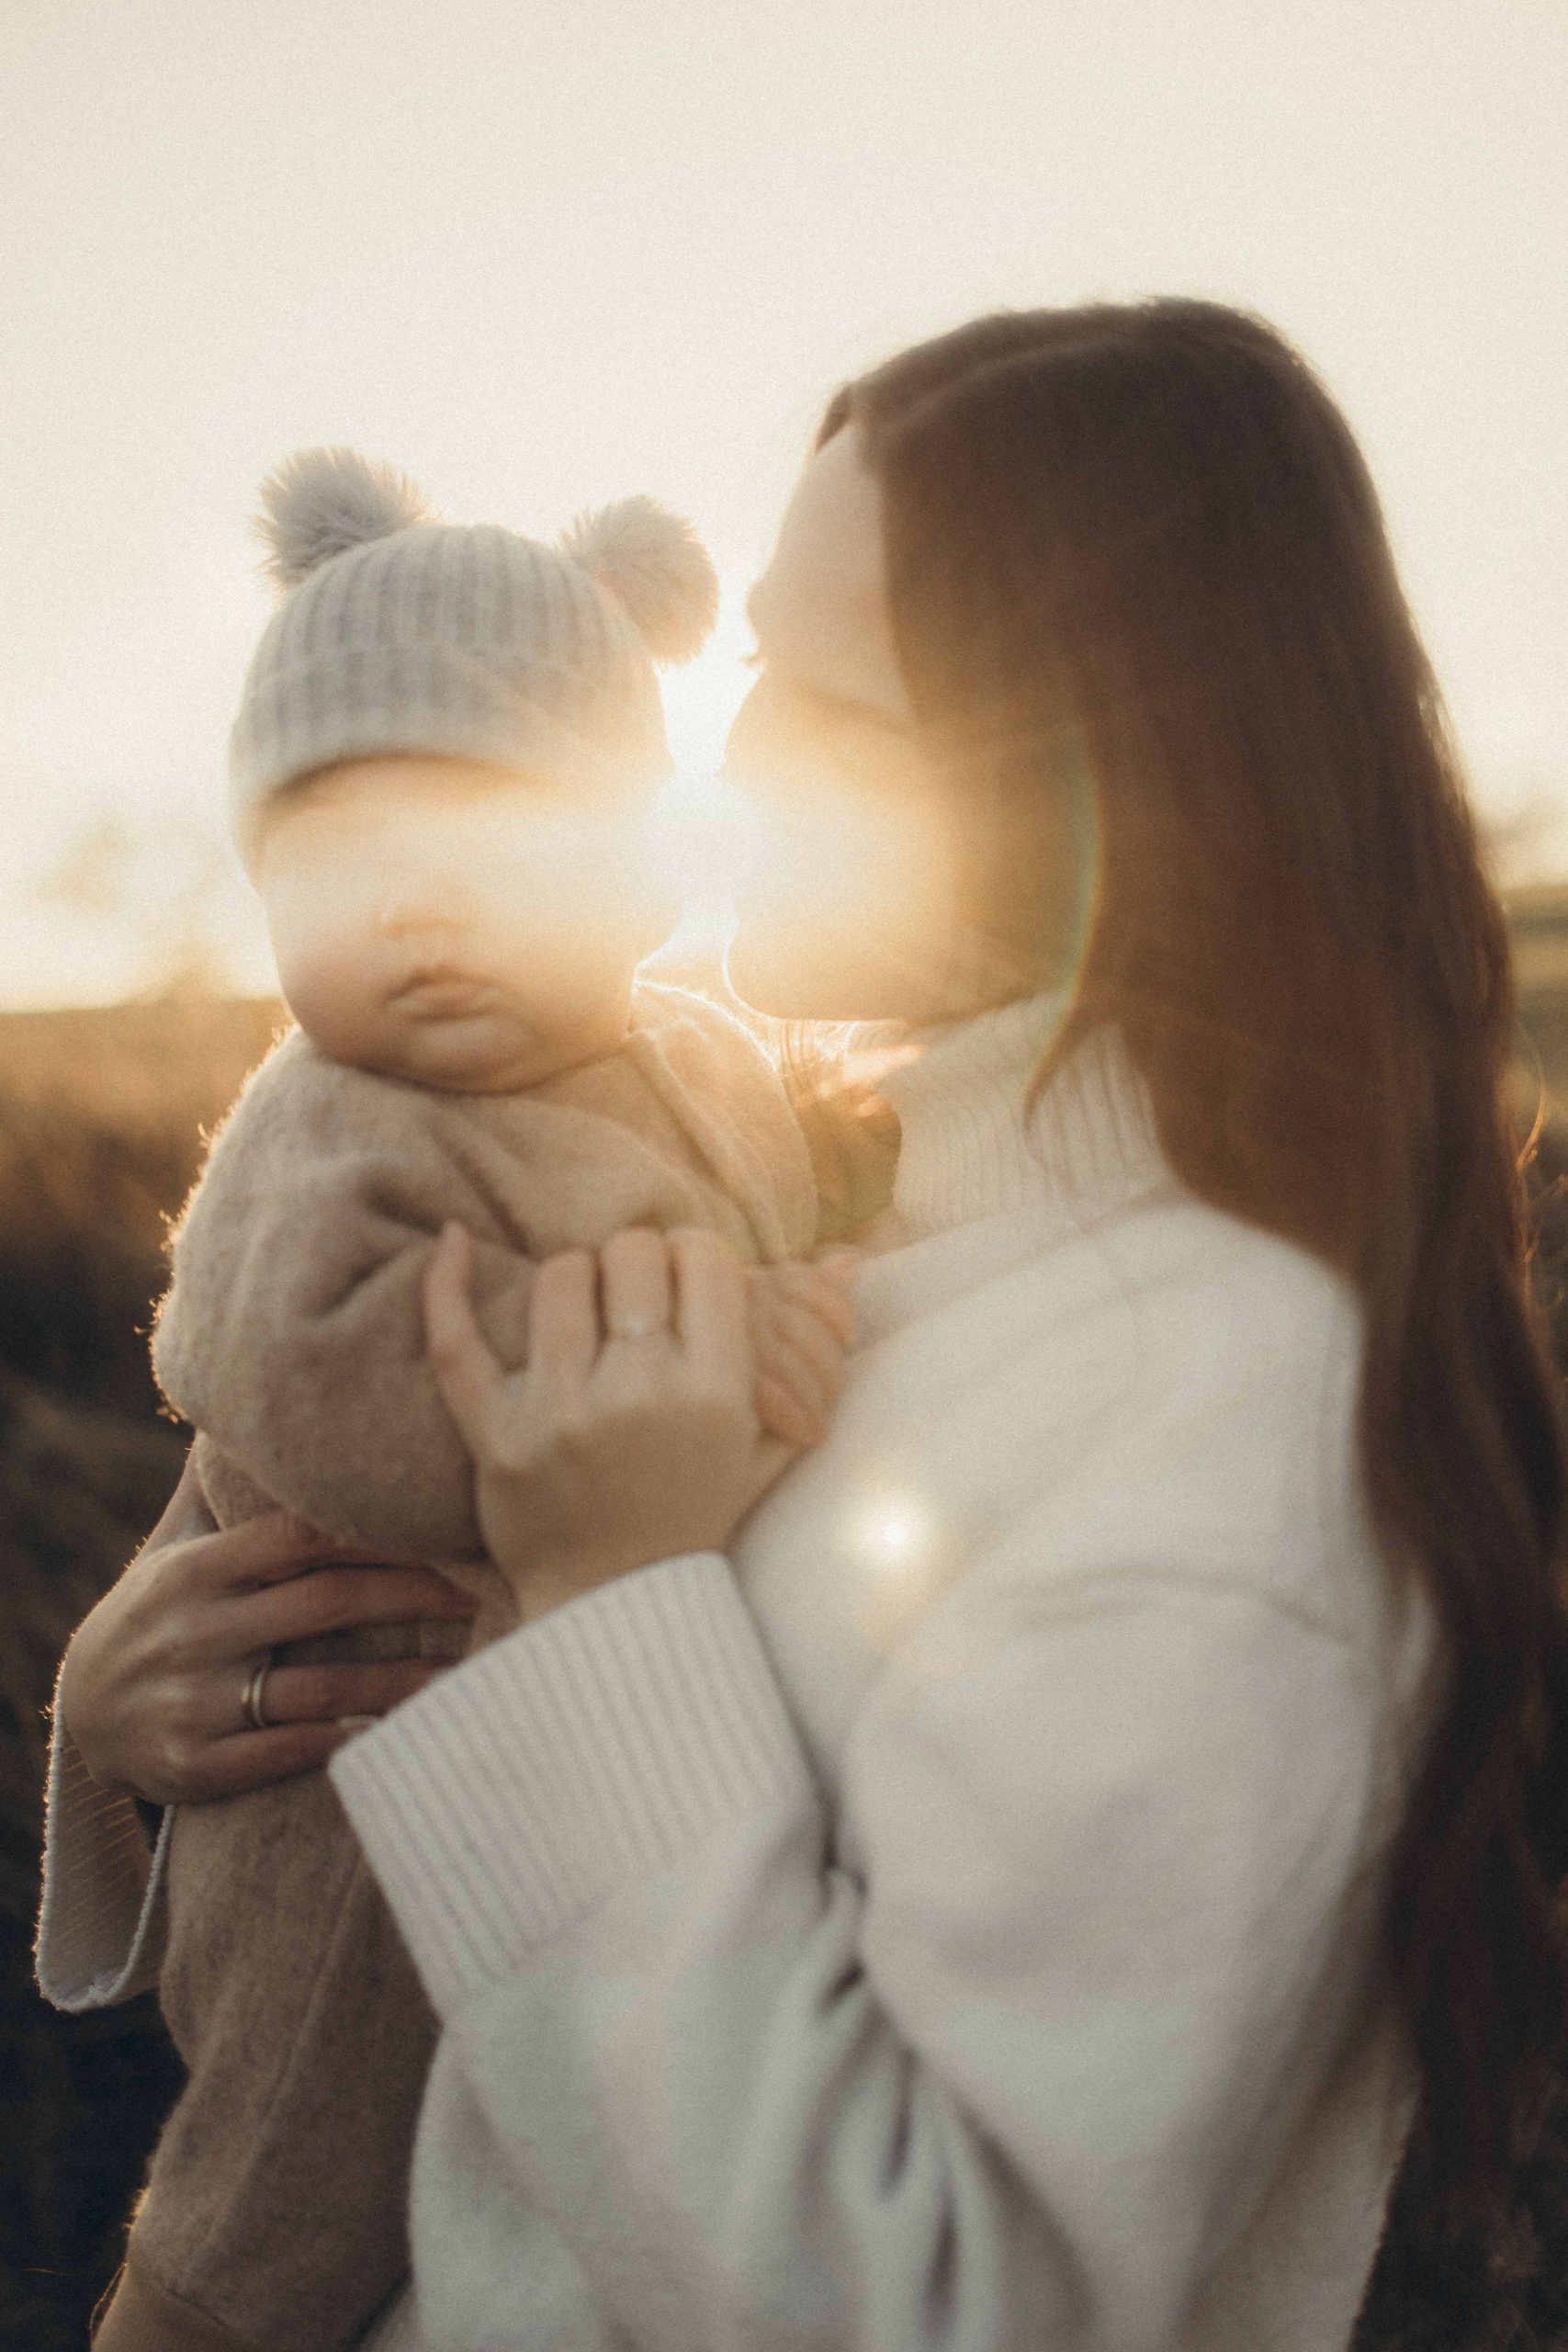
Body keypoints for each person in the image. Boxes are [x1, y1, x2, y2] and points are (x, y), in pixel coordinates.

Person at [40, 298, 1568, 2351]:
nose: (715, 751)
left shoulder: (1217, 1426)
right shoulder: (854, 1184)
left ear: (1069, 763)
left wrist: (600, 1582)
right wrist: (149, 1697)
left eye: (802, 687)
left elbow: (928, 2300)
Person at [41, 447, 856, 2352]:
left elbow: (785, 1217)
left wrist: (797, 1292)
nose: (423, 915)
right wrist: (721, 1381)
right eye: (338, 860)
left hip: (567, 1749)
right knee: (285, 2186)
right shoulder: (318, 1127)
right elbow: (342, 1401)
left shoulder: (708, 1061)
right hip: (346, 1780)